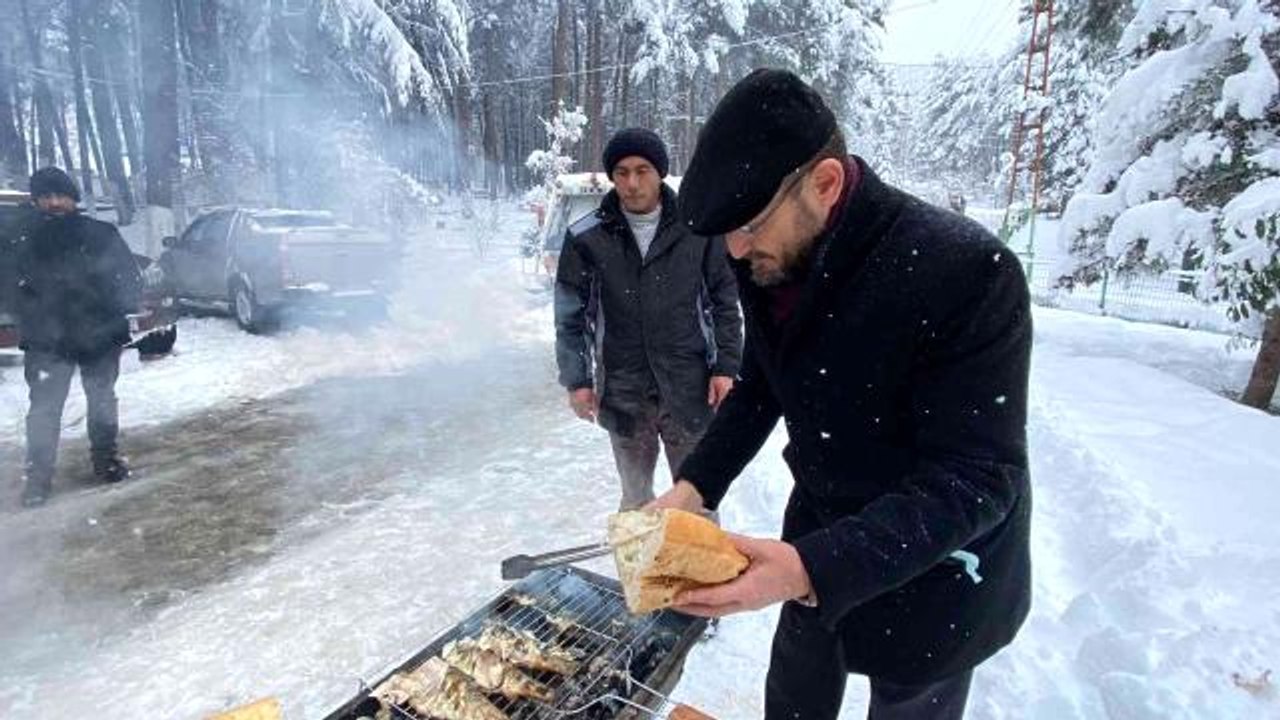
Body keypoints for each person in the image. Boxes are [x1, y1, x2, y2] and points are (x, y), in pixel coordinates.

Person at [651, 69, 1033, 720]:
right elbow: (763, 383)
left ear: (825, 184)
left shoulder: (967, 273)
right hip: (820, 530)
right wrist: (694, 487)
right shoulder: (768, 257)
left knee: (911, 703)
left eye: (749, 227)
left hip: (936, 568)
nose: (736, 252)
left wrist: (809, 567)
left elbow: (979, 478)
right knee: (795, 699)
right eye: (726, 237)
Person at [554, 128, 742, 510]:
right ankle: (640, 568)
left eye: (643, 170)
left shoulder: (698, 231)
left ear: (660, 173)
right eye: (621, 172)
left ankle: (700, 569)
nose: (632, 182)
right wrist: (577, 381)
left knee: (697, 500)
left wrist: (726, 366)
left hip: (689, 389)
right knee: (636, 499)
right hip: (625, 393)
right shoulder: (587, 237)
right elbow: (570, 317)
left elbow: (724, 299)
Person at [15, 167, 141, 507]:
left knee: (102, 400)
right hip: (46, 341)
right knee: (43, 411)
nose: (54, 202)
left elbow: (129, 276)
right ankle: (37, 479)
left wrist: (117, 309)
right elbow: (8, 285)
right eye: (46, 196)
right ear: (36, 200)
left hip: (99, 334)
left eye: (61, 195)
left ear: (73, 197)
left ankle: (106, 460)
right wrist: (28, 312)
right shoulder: (21, 238)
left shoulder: (100, 233)